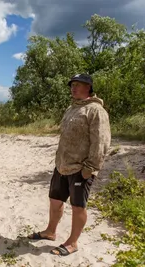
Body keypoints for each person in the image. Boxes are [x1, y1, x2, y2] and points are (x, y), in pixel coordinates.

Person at [27, 74, 111, 256]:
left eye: (78, 85)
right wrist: (58, 163)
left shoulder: (96, 110)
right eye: (72, 85)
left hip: (81, 168)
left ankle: (73, 242)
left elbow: (102, 142)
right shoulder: (72, 108)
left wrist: (90, 168)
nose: (73, 88)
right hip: (62, 165)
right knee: (55, 201)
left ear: (88, 87)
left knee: (78, 206)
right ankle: (50, 232)